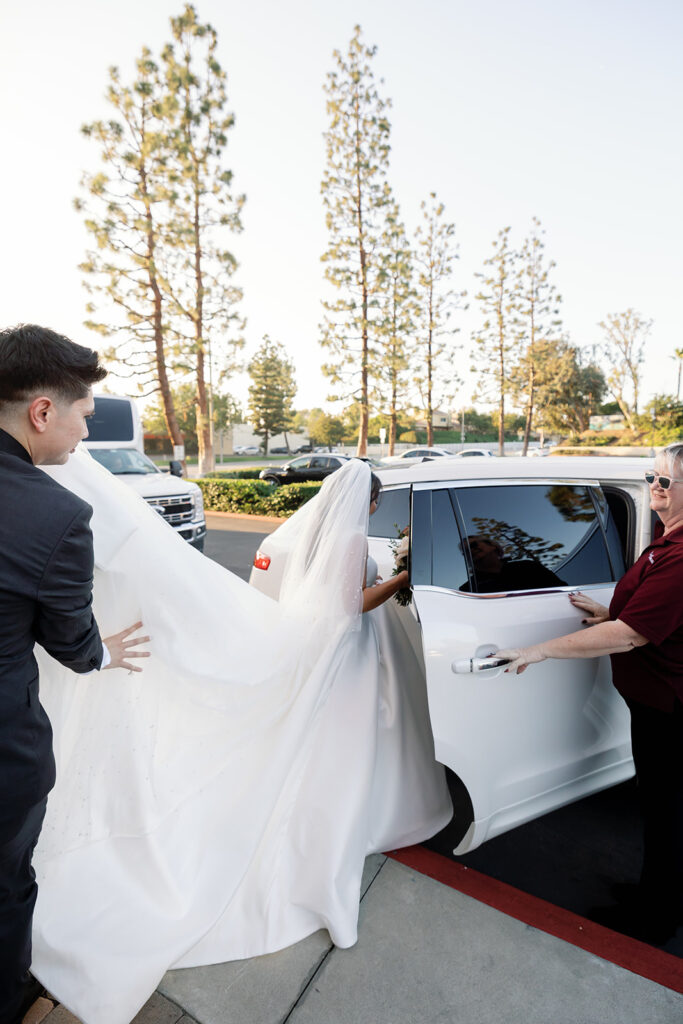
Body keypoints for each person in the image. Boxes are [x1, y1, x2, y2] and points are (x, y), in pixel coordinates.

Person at [28, 450, 450, 1023]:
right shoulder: (353, 544)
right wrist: (403, 576)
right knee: (344, 742)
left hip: (326, 641)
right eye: (376, 500)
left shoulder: (320, 537)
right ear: (368, 501)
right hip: (344, 649)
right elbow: (351, 605)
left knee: (333, 740)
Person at [0, 325, 149, 1024]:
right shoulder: (55, 513)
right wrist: (102, 652)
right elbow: (69, 639)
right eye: (83, 417)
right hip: (4, 753)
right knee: (5, 888)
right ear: (41, 412)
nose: (83, 435)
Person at [497, 442, 683, 946]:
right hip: (655, 703)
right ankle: (654, 894)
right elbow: (645, 617)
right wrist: (609, 613)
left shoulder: (681, 556)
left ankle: (656, 919)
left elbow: (633, 635)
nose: (654, 488)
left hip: (669, 711)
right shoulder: (667, 543)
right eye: (652, 477)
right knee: (659, 811)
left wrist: (542, 650)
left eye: (665, 482)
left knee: (666, 817)